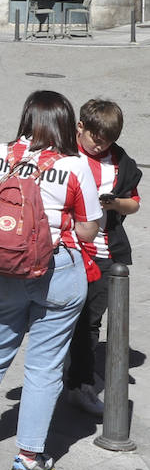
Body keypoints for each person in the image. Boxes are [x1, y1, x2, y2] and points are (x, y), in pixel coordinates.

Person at [0, 91, 101, 470]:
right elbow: (87, 228)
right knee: (44, 366)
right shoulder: (75, 167)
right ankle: (29, 456)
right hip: (57, 270)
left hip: (3, 268)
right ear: (65, 123)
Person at [64, 99, 141, 416]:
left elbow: (134, 203)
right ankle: (61, 372)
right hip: (66, 248)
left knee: (91, 319)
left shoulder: (121, 162)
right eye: (96, 136)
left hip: (104, 251)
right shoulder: (63, 154)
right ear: (80, 127)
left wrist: (113, 204)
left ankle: (81, 383)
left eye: (108, 139)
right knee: (58, 316)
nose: (101, 144)